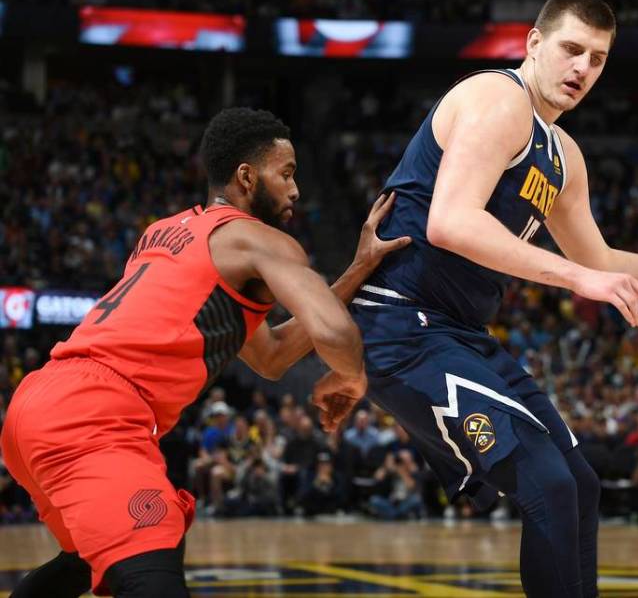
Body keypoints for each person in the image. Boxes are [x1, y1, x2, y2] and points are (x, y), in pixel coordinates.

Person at [348, 0, 638, 597]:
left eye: (597, 59)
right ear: (533, 44)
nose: (581, 69)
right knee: (547, 483)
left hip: (457, 334)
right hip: (402, 326)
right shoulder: (496, 98)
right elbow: (450, 222)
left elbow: (606, 260)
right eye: (570, 50)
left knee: (579, 484)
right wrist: (578, 279)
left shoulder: (563, 155)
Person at [0, 108, 408, 598]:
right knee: (153, 577)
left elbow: (271, 356)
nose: (296, 190)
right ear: (245, 176)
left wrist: (357, 269)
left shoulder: (168, 231)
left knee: (88, 561)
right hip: (95, 414)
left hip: (38, 402)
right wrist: (353, 377)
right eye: (286, 174)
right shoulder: (259, 240)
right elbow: (337, 336)